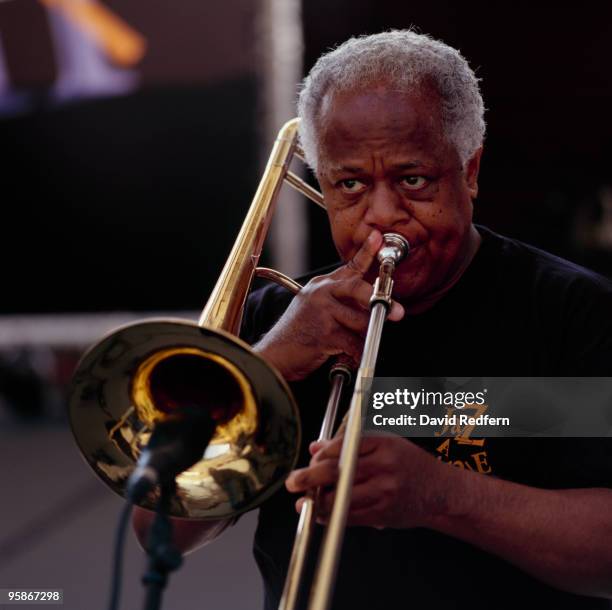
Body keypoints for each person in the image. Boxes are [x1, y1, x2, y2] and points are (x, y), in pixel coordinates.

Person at [134, 30, 612, 609]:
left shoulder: (571, 311)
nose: (381, 216)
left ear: (471, 173)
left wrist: (440, 496)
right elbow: (159, 528)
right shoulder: (275, 320)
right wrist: (272, 368)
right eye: (351, 185)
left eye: (413, 180)